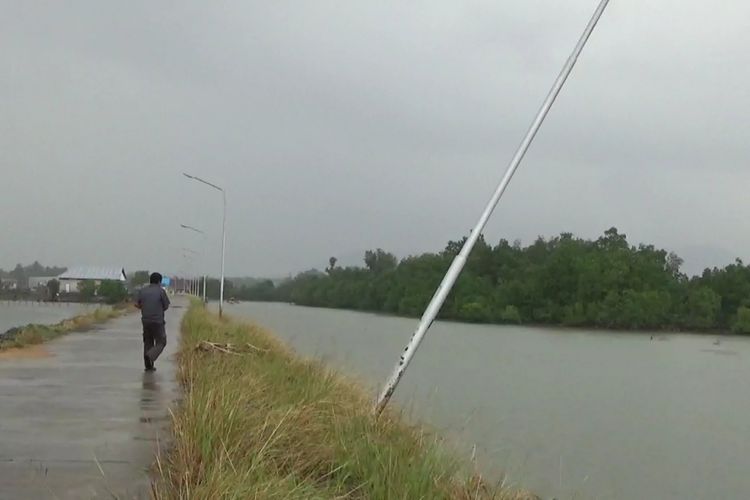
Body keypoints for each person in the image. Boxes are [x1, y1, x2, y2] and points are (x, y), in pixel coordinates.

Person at [135, 272, 170, 371]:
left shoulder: (142, 291)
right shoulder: (161, 291)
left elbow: (137, 304)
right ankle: (150, 355)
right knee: (162, 341)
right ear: (159, 281)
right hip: (157, 321)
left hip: (145, 320)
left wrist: (145, 308)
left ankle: (148, 365)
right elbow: (166, 306)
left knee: (148, 342)